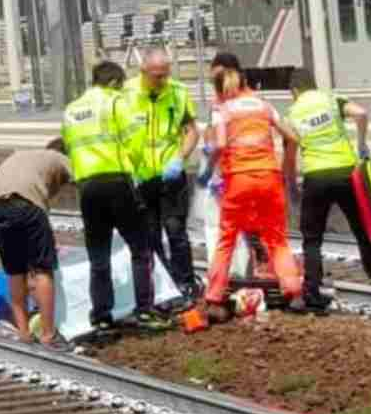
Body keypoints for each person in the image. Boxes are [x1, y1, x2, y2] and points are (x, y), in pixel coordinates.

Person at [61, 60, 167, 337]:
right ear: (113, 83)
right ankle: (144, 309)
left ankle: (102, 317)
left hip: (87, 187)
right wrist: (141, 173)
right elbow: (135, 141)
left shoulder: (71, 110)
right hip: (117, 183)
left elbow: (70, 147)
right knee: (140, 248)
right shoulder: (115, 103)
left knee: (99, 256)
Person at [198, 67, 303, 322]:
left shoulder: (223, 111)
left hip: (238, 180)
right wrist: (287, 167)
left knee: (227, 239)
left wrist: (209, 168)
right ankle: (293, 293)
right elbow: (292, 137)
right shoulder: (264, 106)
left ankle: (213, 297)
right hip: (269, 177)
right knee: (276, 238)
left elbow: (221, 144)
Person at [286, 69, 371, 313]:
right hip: (345, 172)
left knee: (312, 238)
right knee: (361, 226)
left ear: (295, 91)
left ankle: (312, 288)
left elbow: (289, 153)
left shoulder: (292, 113)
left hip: (316, 177)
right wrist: (361, 144)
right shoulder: (332, 99)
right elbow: (361, 114)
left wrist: (291, 183)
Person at [123, 48, 200, 301]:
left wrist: (180, 158)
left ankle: (186, 282)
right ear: (142, 71)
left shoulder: (177, 92)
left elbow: (191, 131)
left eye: (164, 75)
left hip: (170, 175)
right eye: (156, 76)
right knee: (150, 234)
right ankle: (163, 284)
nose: (161, 81)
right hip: (142, 176)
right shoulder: (127, 94)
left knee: (176, 230)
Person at [0, 138, 74, 352]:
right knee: (42, 269)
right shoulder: (61, 158)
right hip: (25, 202)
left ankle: (23, 333)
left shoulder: (27, 156)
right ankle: (48, 335)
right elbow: (88, 182)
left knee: (16, 270)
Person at [207, 52, 268, 269]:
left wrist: (210, 168)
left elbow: (221, 138)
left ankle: (245, 271)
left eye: (218, 78)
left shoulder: (236, 101)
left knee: (235, 228)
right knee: (245, 224)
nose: (215, 84)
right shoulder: (253, 99)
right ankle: (251, 265)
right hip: (251, 169)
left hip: (237, 169)